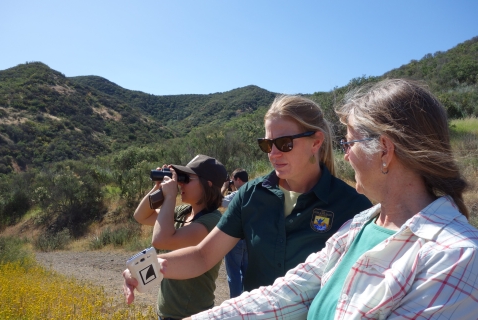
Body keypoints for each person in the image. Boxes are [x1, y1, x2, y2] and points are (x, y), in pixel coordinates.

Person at [184, 79, 478, 319]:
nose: (345, 154)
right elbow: (287, 294)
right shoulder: (358, 226)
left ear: (385, 151)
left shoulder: (455, 257)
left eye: (349, 143)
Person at [124, 95, 372, 302]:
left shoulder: (353, 206)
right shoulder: (251, 196)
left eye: (284, 143)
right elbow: (203, 256)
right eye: (267, 145)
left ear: (316, 142)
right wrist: (148, 268)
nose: (273, 154)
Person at [131, 154, 227, 319]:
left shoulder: (211, 222)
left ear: (208, 184)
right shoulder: (184, 212)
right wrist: (158, 188)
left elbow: (162, 240)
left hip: (190, 314)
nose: (181, 183)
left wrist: (170, 197)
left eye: (187, 179)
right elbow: (141, 216)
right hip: (169, 312)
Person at [220, 168, 249, 298]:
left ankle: (235, 303)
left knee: (234, 274)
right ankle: (247, 300)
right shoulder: (253, 191)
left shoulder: (237, 194)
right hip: (249, 238)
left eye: (233, 179)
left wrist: (224, 186)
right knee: (247, 272)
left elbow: (219, 201)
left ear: (237, 180)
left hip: (235, 239)